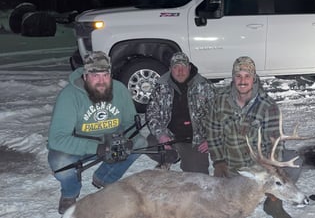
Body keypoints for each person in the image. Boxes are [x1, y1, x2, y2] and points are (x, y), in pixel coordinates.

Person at [47, 51, 146, 214]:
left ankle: (105, 178)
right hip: (80, 146)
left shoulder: (120, 89)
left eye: (105, 75)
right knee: (59, 162)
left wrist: (128, 139)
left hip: (112, 142)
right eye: (95, 76)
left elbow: (131, 123)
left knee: (140, 142)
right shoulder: (69, 96)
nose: (101, 81)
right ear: (85, 76)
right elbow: (56, 139)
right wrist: (97, 148)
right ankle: (70, 193)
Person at [206, 56, 294, 218]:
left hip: (258, 169)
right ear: (233, 78)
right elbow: (213, 132)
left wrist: (272, 173)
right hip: (231, 167)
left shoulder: (268, 105)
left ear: (254, 78)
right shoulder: (219, 100)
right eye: (238, 76)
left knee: (291, 166)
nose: (242, 80)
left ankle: (273, 205)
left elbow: (276, 143)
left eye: (247, 76)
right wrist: (218, 162)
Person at [146, 52, 215, 174]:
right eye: (176, 67)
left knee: (197, 178)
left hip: (194, 140)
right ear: (170, 69)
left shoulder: (205, 86)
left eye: (183, 67)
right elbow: (151, 113)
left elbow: (218, 115)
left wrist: (211, 139)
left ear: (189, 68)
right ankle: (170, 156)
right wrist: (161, 134)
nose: (180, 71)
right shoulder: (161, 86)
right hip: (169, 136)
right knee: (148, 143)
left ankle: (179, 155)